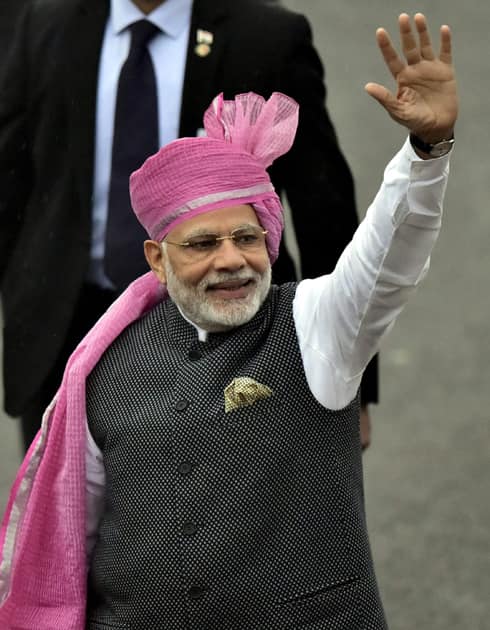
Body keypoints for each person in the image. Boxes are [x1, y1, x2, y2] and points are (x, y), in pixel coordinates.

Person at [0, 12, 457, 629]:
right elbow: (71, 536)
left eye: (247, 237)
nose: (231, 260)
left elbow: (386, 256)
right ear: (157, 259)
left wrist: (425, 154)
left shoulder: (315, 327)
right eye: (202, 244)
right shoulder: (100, 365)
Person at [0, 0, 378, 453]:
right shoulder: (41, 21)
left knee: (220, 514)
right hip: (66, 327)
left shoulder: (266, 37)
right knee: (69, 518)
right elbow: (9, 181)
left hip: (221, 324)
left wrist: (348, 378)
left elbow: (325, 208)